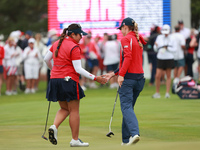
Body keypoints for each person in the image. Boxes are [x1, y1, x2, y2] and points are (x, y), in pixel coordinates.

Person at [44, 23, 107, 147]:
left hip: (55, 80)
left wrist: (53, 71)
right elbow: (78, 69)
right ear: (73, 34)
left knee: (65, 108)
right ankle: (75, 140)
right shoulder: (74, 47)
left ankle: (54, 126)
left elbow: (46, 59)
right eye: (80, 35)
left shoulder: (56, 43)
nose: (81, 37)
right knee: (74, 110)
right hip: (68, 80)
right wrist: (95, 78)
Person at [104, 17, 146, 145]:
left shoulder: (126, 39)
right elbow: (128, 61)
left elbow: (127, 58)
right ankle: (125, 140)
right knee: (128, 109)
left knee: (126, 108)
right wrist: (114, 73)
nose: (120, 31)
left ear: (125, 27)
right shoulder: (138, 39)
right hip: (139, 79)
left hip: (129, 79)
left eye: (121, 28)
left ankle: (134, 133)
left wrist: (121, 75)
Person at [152, 24, 176, 98]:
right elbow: (155, 49)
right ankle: (157, 93)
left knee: (168, 75)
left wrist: (167, 48)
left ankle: (167, 93)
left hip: (169, 58)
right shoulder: (159, 37)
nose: (165, 33)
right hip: (160, 58)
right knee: (158, 76)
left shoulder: (172, 38)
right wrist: (156, 46)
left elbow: (174, 49)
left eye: (167, 32)